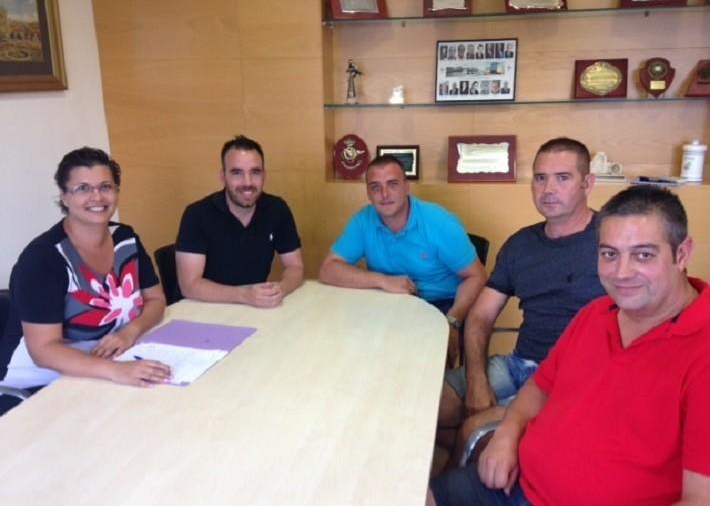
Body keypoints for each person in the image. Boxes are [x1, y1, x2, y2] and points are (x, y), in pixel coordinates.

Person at [425, 185, 710, 506]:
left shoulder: (702, 350)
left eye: (643, 255)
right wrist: (507, 434)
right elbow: (539, 387)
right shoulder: (596, 314)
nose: (621, 272)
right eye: (609, 254)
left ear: (682, 253)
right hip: (515, 488)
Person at [437, 137, 605, 466]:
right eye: (540, 178)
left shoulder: (611, 242)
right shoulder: (521, 244)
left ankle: (452, 489)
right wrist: (476, 380)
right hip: (518, 364)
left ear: (588, 183)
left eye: (563, 178)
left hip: (574, 382)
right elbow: (480, 316)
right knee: (428, 405)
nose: (548, 189)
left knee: (474, 431)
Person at [0, 147, 170, 414]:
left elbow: (156, 299)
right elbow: (44, 351)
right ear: (64, 197)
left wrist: (129, 332)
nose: (97, 196)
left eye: (106, 186)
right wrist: (116, 371)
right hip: (37, 384)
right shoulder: (43, 259)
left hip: (104, 368)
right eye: (82, 188)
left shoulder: (125, 238)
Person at [319, 155, 487, 368]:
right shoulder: (363, 220)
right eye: (375, 187)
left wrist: (452, 322)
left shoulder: (440, 223)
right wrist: (382, 280)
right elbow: (328, 269)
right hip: (389, 302)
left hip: (441, 305)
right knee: (348, 347)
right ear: (368, 193)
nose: (384, 194)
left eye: (393, 184)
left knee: (414, 366)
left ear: (407, 187)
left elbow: (477, 276)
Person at [175, 135, 304, 308]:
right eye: (237, 173)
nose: (247, 182)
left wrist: (281, 289)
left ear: (264, 175)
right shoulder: (197, 214)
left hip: (251, 309)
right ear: (223, 176)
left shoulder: (276, 209)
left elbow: (295, 266)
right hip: (202, 309)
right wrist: (244, 295)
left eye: (255, 172)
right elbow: (189, 285)